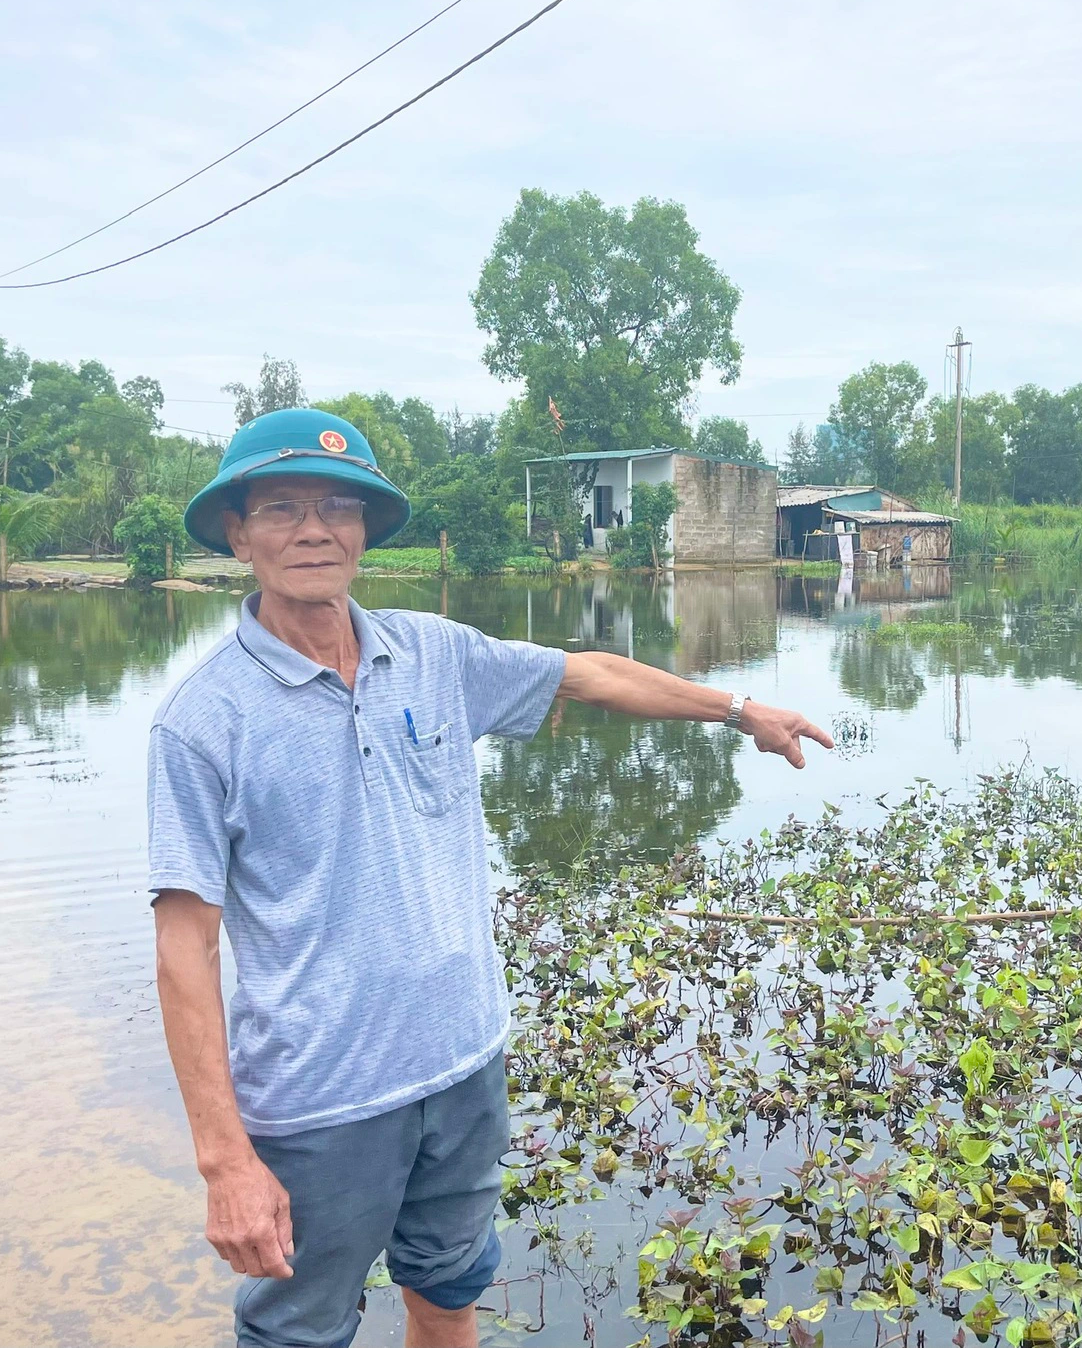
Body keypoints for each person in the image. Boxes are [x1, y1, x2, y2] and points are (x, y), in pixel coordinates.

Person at [148, 410, 830, 1348]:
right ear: (237, 531)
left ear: (365, 529)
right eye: (282, 507)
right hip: (320, 1102)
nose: (314, 529)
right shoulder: (202, 722)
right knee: (297, 1331)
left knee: (449, 1291)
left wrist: (739, 707)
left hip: (463, 1066)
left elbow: (587, 673)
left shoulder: (433, 653)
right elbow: (184, 948)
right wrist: (225, 1159)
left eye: (338, 507)